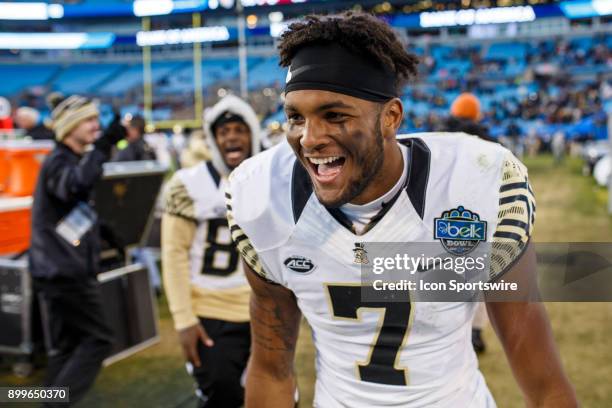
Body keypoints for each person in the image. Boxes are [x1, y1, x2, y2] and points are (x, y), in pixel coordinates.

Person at [226, 13, 577, 407]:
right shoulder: (263, 199)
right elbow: (271, 368)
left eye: (334, 115)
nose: (309, 138)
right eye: (295, 116)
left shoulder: (475, 185)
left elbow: (536, 364)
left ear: (391, 117)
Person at [162, 94, 261, 407]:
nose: (231, 136)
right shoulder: (188, 184)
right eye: (223, 131)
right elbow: (174, 254)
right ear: (214, 139)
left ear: (253, 134)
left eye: (239, 129)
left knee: (277, 397)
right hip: (211, 314)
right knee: (223, 396)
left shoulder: (270, 178)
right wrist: (183, 320)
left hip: (264, 311)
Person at [29, 95, 126, 405]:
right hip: (64, 272)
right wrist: (103, 146)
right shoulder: (59, 161)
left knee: (66, 348)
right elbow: (75, 185)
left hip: (58, 269)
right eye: (87, 120)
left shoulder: (66, 159)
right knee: (98, 340)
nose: (94, 124)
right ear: (69, 127)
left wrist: (106, 235)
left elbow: (72, 208)